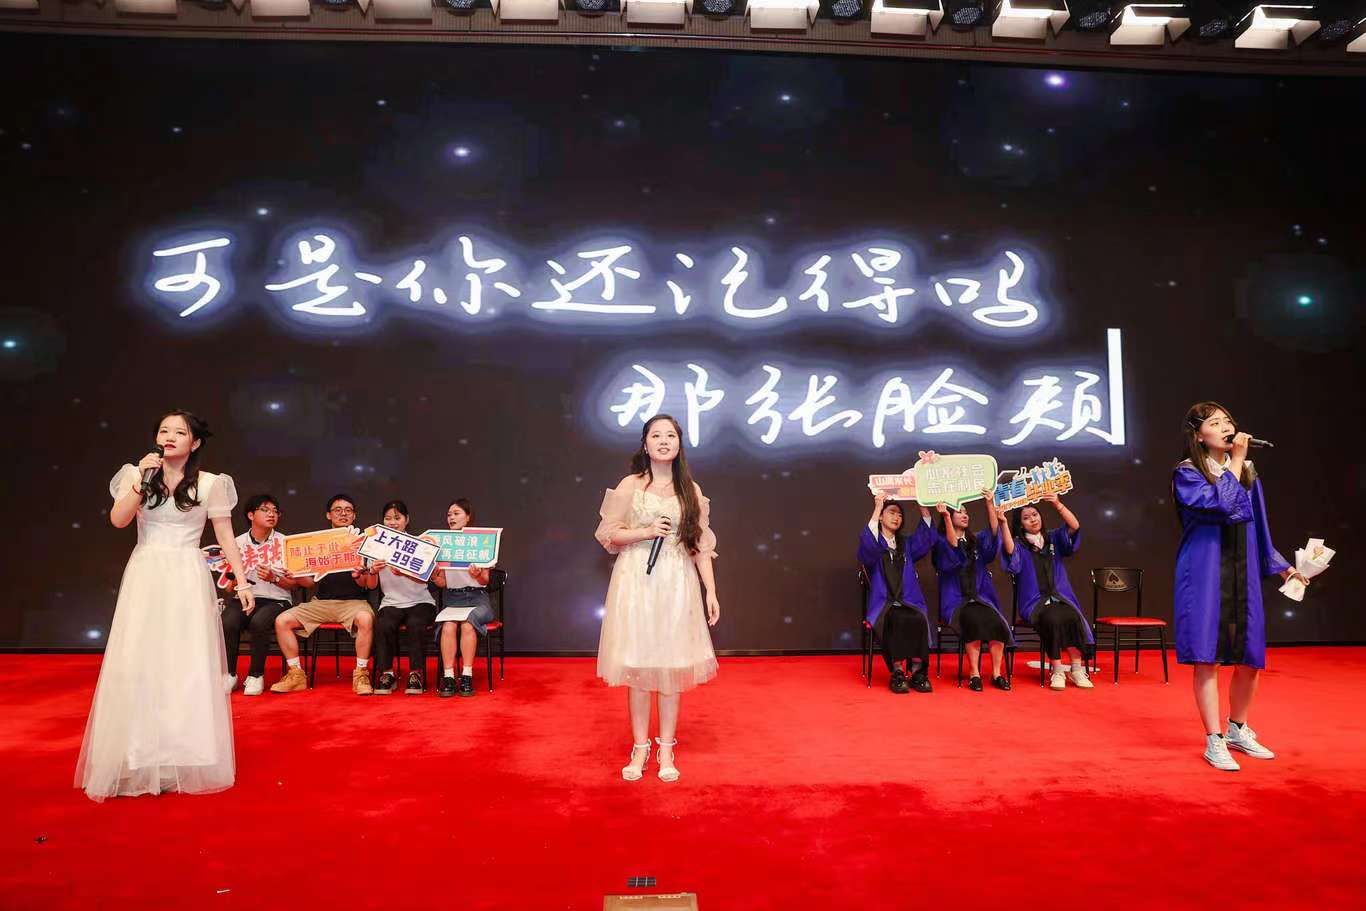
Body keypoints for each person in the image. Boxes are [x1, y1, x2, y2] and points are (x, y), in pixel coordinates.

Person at [75, 410, 252, 801]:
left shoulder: (211, 484)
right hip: (146, 572)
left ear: (195, 442)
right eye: (163, 431)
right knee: (139, 659)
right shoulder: (137, 474)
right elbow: (119, 520)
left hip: (187, 574)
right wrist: (142, 479)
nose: (169, 437)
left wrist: (242, 582)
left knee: (184, 661)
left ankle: (180, 755)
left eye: (179, 432)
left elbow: (225, 536)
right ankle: (137, 754)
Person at [1173, 402, 1306, 772]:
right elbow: (1222, 505)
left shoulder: (1246, 471)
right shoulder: (1187, 473)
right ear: (1199, 435)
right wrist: (1236, 462)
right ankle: (1213, 739)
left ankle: (1237, 728)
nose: (1225, 427)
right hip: (1205, 571)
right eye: (1215, 423)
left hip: (1242, 571)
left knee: (1250, 657)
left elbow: (1258, 526)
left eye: (1228, 421)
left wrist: (1284, 569)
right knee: (1208, 657)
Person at [595, 414, 720, 782]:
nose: (664, 441)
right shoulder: (630, 485)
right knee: (638, 665)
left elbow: (699, 546)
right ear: (645, 444)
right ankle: (640, 747)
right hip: (636, 580)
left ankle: (666, 748)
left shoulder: (690, 490)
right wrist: (646, 531)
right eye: (656, 435)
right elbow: (608, 534)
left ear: (679, 444)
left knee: (671, 665)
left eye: (670, 436)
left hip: (676, 581)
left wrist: (711, 591)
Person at [269, 494, 379, 695]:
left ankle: (361, 674)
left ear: (354, 516)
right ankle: (296, 674)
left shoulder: (363, 543)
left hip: (354, 603)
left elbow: (368, 585)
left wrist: (359, 574)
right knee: (282, 621)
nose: (343, 514)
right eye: (338, 510)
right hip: (321, 603)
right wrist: (296, 575)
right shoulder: (317, 544)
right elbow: (310, 583)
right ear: (328, 515)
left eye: (348, 510)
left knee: (366, 619)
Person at [1001, 495, 1095, 691]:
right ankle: (1058, 670)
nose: (1032, 519)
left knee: (1072, 616)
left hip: (1061, 597)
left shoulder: (1053, 538)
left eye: (1035, 514)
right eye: (1026, 517)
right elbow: (1010, 551)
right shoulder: (1019, 545)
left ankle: (1076, 669)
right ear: (1020, 524)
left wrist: (1056, 504)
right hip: (1034, 602)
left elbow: (1074, 526)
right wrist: (1002, 523)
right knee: (1052, 618)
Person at [220, 493, 305, 696]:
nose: (271, 514)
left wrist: (274, 578)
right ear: (251, 515)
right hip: (244, 598)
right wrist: (236, 580)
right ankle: (230, 674)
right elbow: (228, 588)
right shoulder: (237, 543)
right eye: (265, 510)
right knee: (228, 621)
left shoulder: (285, 543)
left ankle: (255, 675)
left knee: (259, 622)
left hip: (277, 600)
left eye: (275, 511)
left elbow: (295, 585)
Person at [933, 490, 1014, 692]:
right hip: (957, 601)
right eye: (959, 512)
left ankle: (997, 673)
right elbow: (953, 547)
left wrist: (989, 503)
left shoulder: (975, 540)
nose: (965, 515)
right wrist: (945, 517)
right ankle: (974, 673)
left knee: (996, 620)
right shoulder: (940, 541)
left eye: (966, 512)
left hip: (981, 598)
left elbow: (994, 533)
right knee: (972, 619)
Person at [858, 487, 936, 695]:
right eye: (891, 512)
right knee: (896, 619)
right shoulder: (875, 544)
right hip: (884, 603)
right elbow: (867, 544)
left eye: (900, 514)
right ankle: (898, 672)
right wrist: (877, 506)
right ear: (881, 518)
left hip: (909, 600)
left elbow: (927, 538)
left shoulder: (906, 545)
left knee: (919, 618)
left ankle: (918, 672)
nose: (897, 517)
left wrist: (922, 503)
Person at [371, 499, 440, 695]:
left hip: (421, 601)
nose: (393, 522)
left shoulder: (418, 545)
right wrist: (372, 571)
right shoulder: (376, 546)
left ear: (406, 519)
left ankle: (416, 674)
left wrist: (405, 572)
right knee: (383, 624)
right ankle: (387, 673)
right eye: (388, 518)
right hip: (391, 602)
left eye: (397, 518)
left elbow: (425, 578)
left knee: (416, 624)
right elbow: (372, 585)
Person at [430, 498, 494, 699]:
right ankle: (449, 677)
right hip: (453, 599)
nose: (451, 517)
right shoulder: (442, 544)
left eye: (456, 513)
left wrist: (477, 574)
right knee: (448, 626)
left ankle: (466, 676)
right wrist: (434, 575)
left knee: (467, 624)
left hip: (477, 599)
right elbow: (443, 582)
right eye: (449, 514)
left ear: (468, 518)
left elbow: (485, 581)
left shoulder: (480, 543)